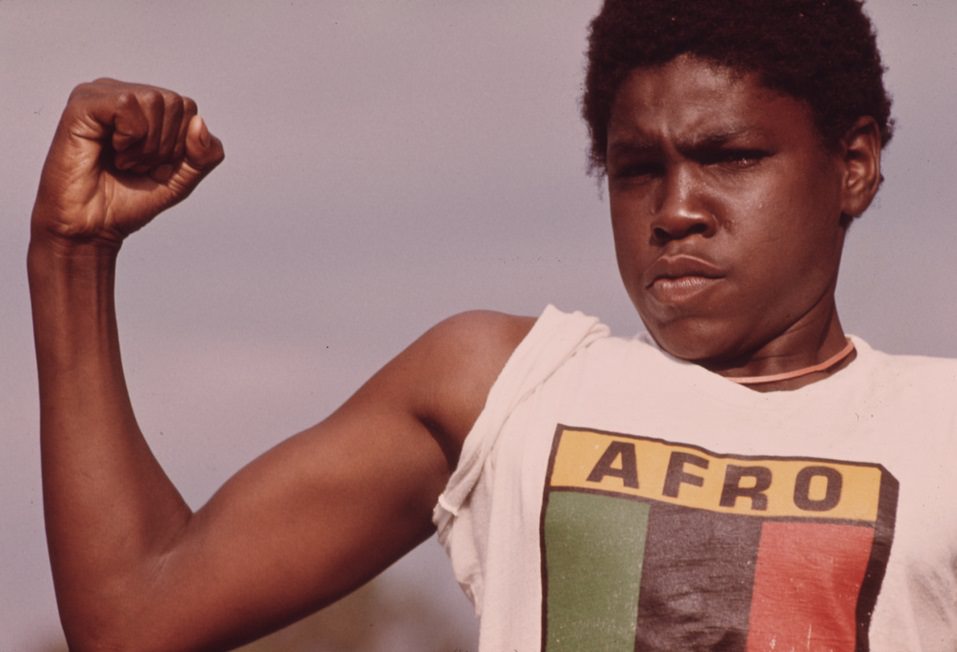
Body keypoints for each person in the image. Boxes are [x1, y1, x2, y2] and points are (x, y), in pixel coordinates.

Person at [27, 1, 956, 651]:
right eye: (636, 169)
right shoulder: (507, 385)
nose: (675, 208)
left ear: (854, 165)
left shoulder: (938, 427)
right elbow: (131, 619)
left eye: (731, 157)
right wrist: (71, 254)